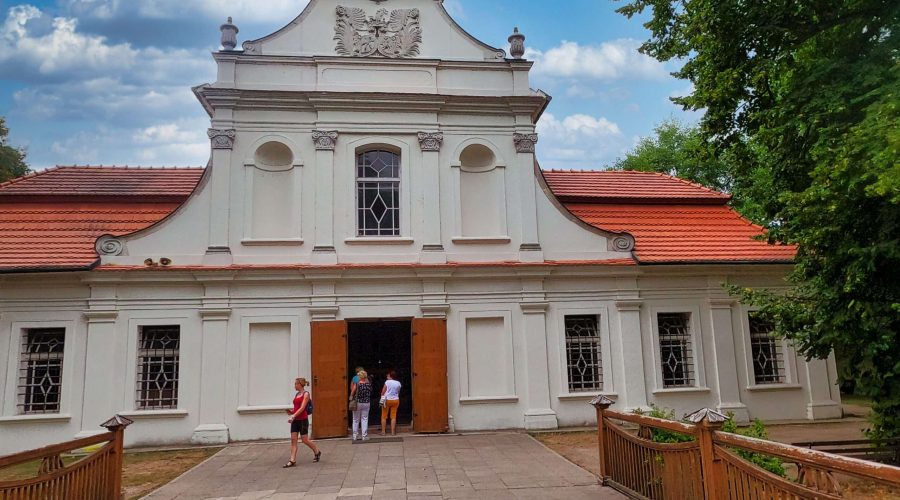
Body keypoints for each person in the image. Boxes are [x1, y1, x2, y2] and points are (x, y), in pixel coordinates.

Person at [284, 377, 321, 468]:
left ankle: (317, 451)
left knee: (305, 440)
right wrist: (291, 412)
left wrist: (293, 415)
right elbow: (297, 407)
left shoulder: (306, 394)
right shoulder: (297, 394)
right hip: (295, 420)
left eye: (296, 384)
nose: (295, 386)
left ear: (300, 384)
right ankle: (292, 460)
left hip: (303, 420)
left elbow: (302, 408)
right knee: (293, 440)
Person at [350, 370, 373, 440]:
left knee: (355, 419)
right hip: (366, 402)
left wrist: (351, 398)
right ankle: (364, 435)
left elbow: (352, 392)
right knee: (364, 419)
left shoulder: (357, 384)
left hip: (358, 402)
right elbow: (371, 391)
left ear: (360, 376)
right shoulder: (369, 384)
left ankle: (355, 435)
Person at [380, 370, 401, 436]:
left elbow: (383, 391)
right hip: (395, 400)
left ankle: (383, 432)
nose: (387, 376)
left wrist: (381, 398)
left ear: (390, 376)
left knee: (384, 416)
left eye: (388, 375)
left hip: (387, 400)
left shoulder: (387, 382)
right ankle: (393, 432)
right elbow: (398, 392)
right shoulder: (398, 383)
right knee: (393, 416)